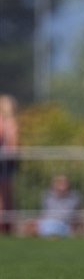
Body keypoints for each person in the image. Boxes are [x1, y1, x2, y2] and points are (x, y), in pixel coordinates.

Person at [0, 93, 19, 234]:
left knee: (5, 195)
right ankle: (6, 224)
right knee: (6, 195)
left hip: (5, 161)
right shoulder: (10, 122)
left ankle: (5, 224)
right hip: (6, 161)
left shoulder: (9, 122)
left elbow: (13, 145)